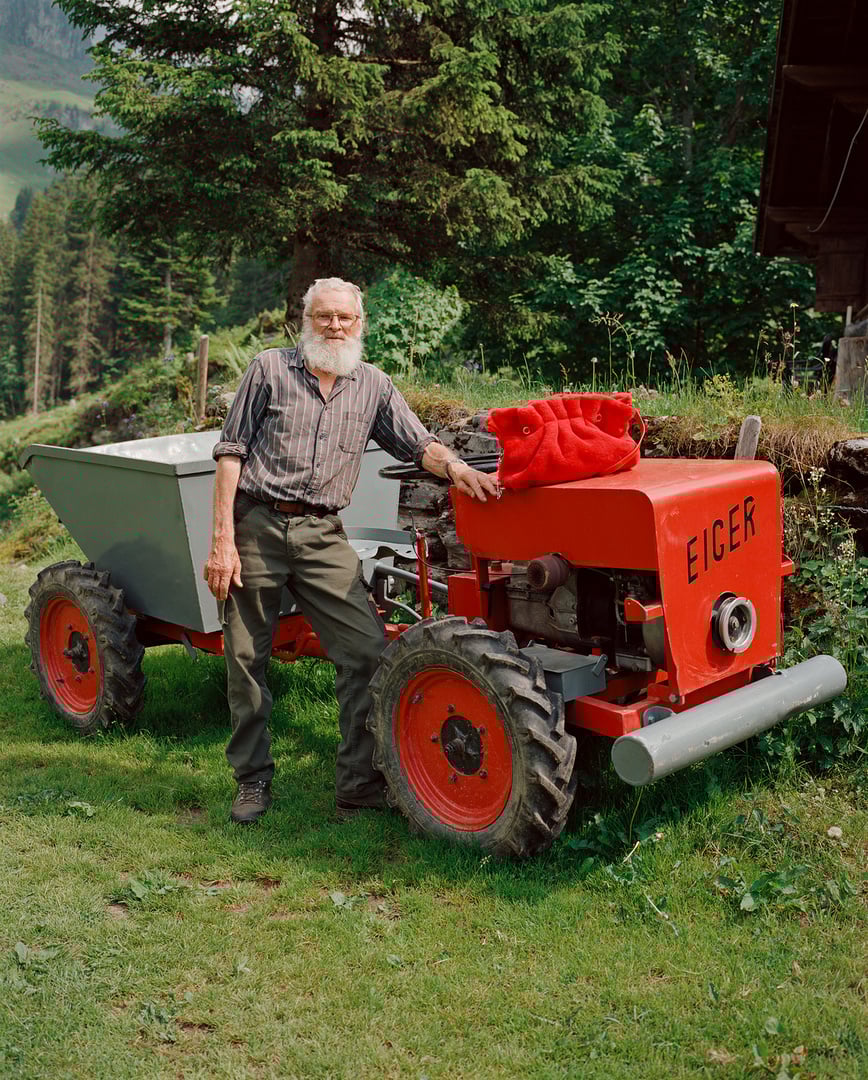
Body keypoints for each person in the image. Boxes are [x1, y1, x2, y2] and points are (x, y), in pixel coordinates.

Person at [204, 277, 499, 824]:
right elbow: (230, 454)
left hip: (321, 535)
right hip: (257, 526)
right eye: (324, 317)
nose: (335, 326)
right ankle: (251, 780)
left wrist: (457, 469)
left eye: (345, 318)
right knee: (246, 658)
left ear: (361, 325)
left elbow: (419, 443)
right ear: (305, 319)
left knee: (366, 651)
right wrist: (223, 543)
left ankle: (358, 784)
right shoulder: (269, 369)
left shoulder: (373, 386)